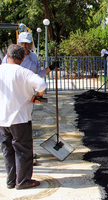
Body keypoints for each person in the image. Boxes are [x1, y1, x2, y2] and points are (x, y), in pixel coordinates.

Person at [0, 44, 47, 189]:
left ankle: (11, 181)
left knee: (8, 150)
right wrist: (37, 96)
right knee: (23, 150)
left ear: (7, 55)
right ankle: (23, 181)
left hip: (2, 118)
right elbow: (41, 84)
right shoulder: (24, 72)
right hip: (20, 118)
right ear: (21, 59)